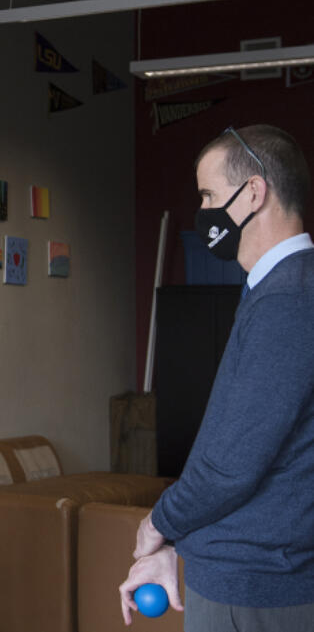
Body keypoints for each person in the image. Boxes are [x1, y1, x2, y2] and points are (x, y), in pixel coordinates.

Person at [119, 125, 314, 629]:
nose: (202, 212)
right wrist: (181, 545)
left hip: (253, 589)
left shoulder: (287, 302)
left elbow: (232, 466)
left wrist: (158, 524)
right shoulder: (276, 289)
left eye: (208, 195)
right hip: (244, 576)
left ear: (253, 191)